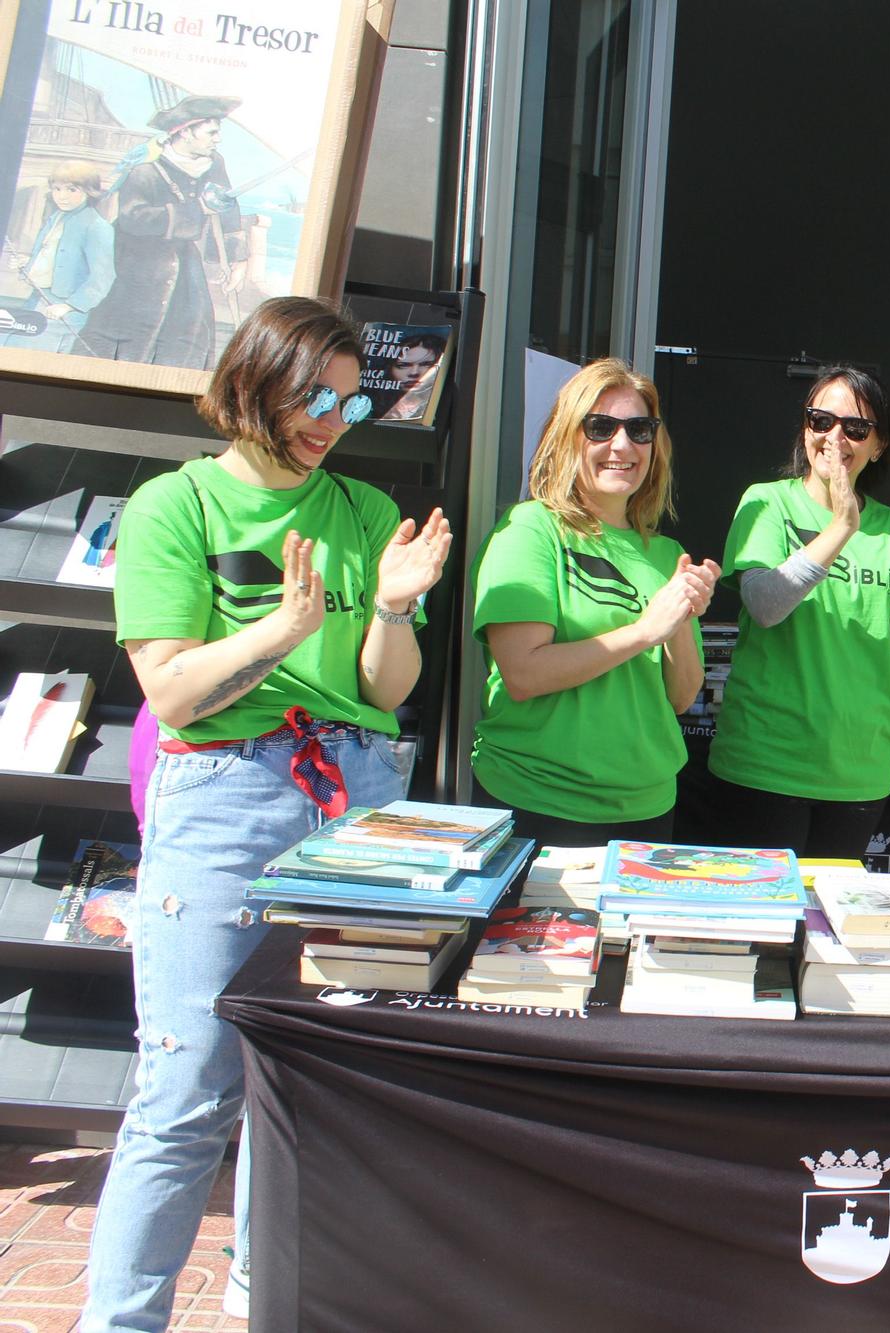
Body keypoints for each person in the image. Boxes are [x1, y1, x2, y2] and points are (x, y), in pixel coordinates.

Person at [85, 296, 452, 1331]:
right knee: (187, 1091)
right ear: (255, 378)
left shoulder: (367, 513)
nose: (330, 419)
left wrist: (386, 608)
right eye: (311, 395)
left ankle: (267, 1303)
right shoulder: (174, 504)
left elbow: (384, 691)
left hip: (357, 793)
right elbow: (169, 691)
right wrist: (279, 631)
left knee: (308, 1086)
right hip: (223, 791)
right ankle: (117, 1322)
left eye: (348, 401)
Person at [703, 366, 890, 857]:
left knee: (828, 930)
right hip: (765, 764)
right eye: (820, 420)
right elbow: (764, 605)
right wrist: (842, 526)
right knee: (759, 931)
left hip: (857, 773)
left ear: (879, 444)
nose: (834, 438)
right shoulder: (767, 503)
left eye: (856, 428)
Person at [470, 359, 719, 846]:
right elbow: (523, 673)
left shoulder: (666, 553)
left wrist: (681, 617)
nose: (622, 445)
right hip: (538, 801)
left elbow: (681, 697)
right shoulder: (531, 529)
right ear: (567, 438)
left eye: (639, 429)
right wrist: (646, 630)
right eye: (601, 427)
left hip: (647, 807)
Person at [77, 94, 246, 369]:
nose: (218, 139)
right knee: (121, 341)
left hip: (185, 269)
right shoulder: (144, 170)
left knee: (190, 336)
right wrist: (196, 209)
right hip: (135, 267)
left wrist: (237, 260)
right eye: (211, 132)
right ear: (185, 132)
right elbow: (133, 218)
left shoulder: (214, 163)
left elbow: (225, 207)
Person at [4, 160, 115, 352]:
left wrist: (69, 306)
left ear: (89, 191)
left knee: (30, 358)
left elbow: (103, 277)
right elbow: (55, 258)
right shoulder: (56, 218)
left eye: (72, 190)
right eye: (57, 189)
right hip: (38, 298)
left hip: (63, 309)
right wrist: (28, 264)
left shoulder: (97, 227)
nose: (62, 196)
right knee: (12, 348)